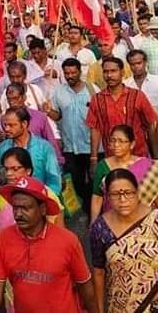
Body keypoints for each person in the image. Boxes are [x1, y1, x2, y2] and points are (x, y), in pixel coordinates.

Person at [90, 168, 158, 313]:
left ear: (137, 193)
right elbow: (99, 273)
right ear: (107, 197)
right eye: (115, 194)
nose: (123, 200)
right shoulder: (100, 229)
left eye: (128, 193)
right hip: (125, 308)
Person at [0, 175, 97, 313]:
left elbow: (84, 285)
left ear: (42, 209)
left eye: (26, 208)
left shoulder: (68, 241)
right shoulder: (4, 238)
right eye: (16, 208)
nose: (18, 214)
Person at [47, 57, 98, 215]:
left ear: (79, 72)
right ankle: (83, 208)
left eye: (73, 72)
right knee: (75, 181)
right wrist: (49, 111)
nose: (70, 76)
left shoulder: (92, 89)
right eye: (67, 73)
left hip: (91, 145)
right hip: (70, 146)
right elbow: (58, 116)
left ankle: (93, 210)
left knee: (93, 181)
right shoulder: (59, 92)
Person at [90, 125, 158, 222]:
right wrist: (93, 223)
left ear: (132, 144)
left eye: (121, 141)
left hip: (144, 222)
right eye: (113, 140)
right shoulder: (102, 166)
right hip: (114, 221)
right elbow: (97, 197)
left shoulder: (148, 166)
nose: (116, 145)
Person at [87, 57, 158, 160]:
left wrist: (156, 155)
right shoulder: (97, 99)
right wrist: (93, 158)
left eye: (113, 71)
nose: (109, 75)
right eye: (106, 72)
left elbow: (150, 124)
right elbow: (95, 130)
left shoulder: (137, 95)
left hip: (139, 156)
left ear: (122, 72)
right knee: (116, 177)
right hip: (112, 158)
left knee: (142, 176)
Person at [0, 107, 62, 194]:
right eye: (5, 125)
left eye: (11, 125)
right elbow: (3, 180)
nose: (6, 129)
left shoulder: (44, 147)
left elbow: (54, 181)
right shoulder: (3, 147)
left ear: (24, 124)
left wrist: (45, 199)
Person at [3, 82, 64, 164]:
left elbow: (50, 141)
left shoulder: (39, 117)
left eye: (15, 98)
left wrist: (58, 161)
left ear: (24, 97)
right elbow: (3, 145)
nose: (12, 102)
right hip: (15, 166)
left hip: (38, 164)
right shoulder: (4, 119)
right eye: (9, 99)